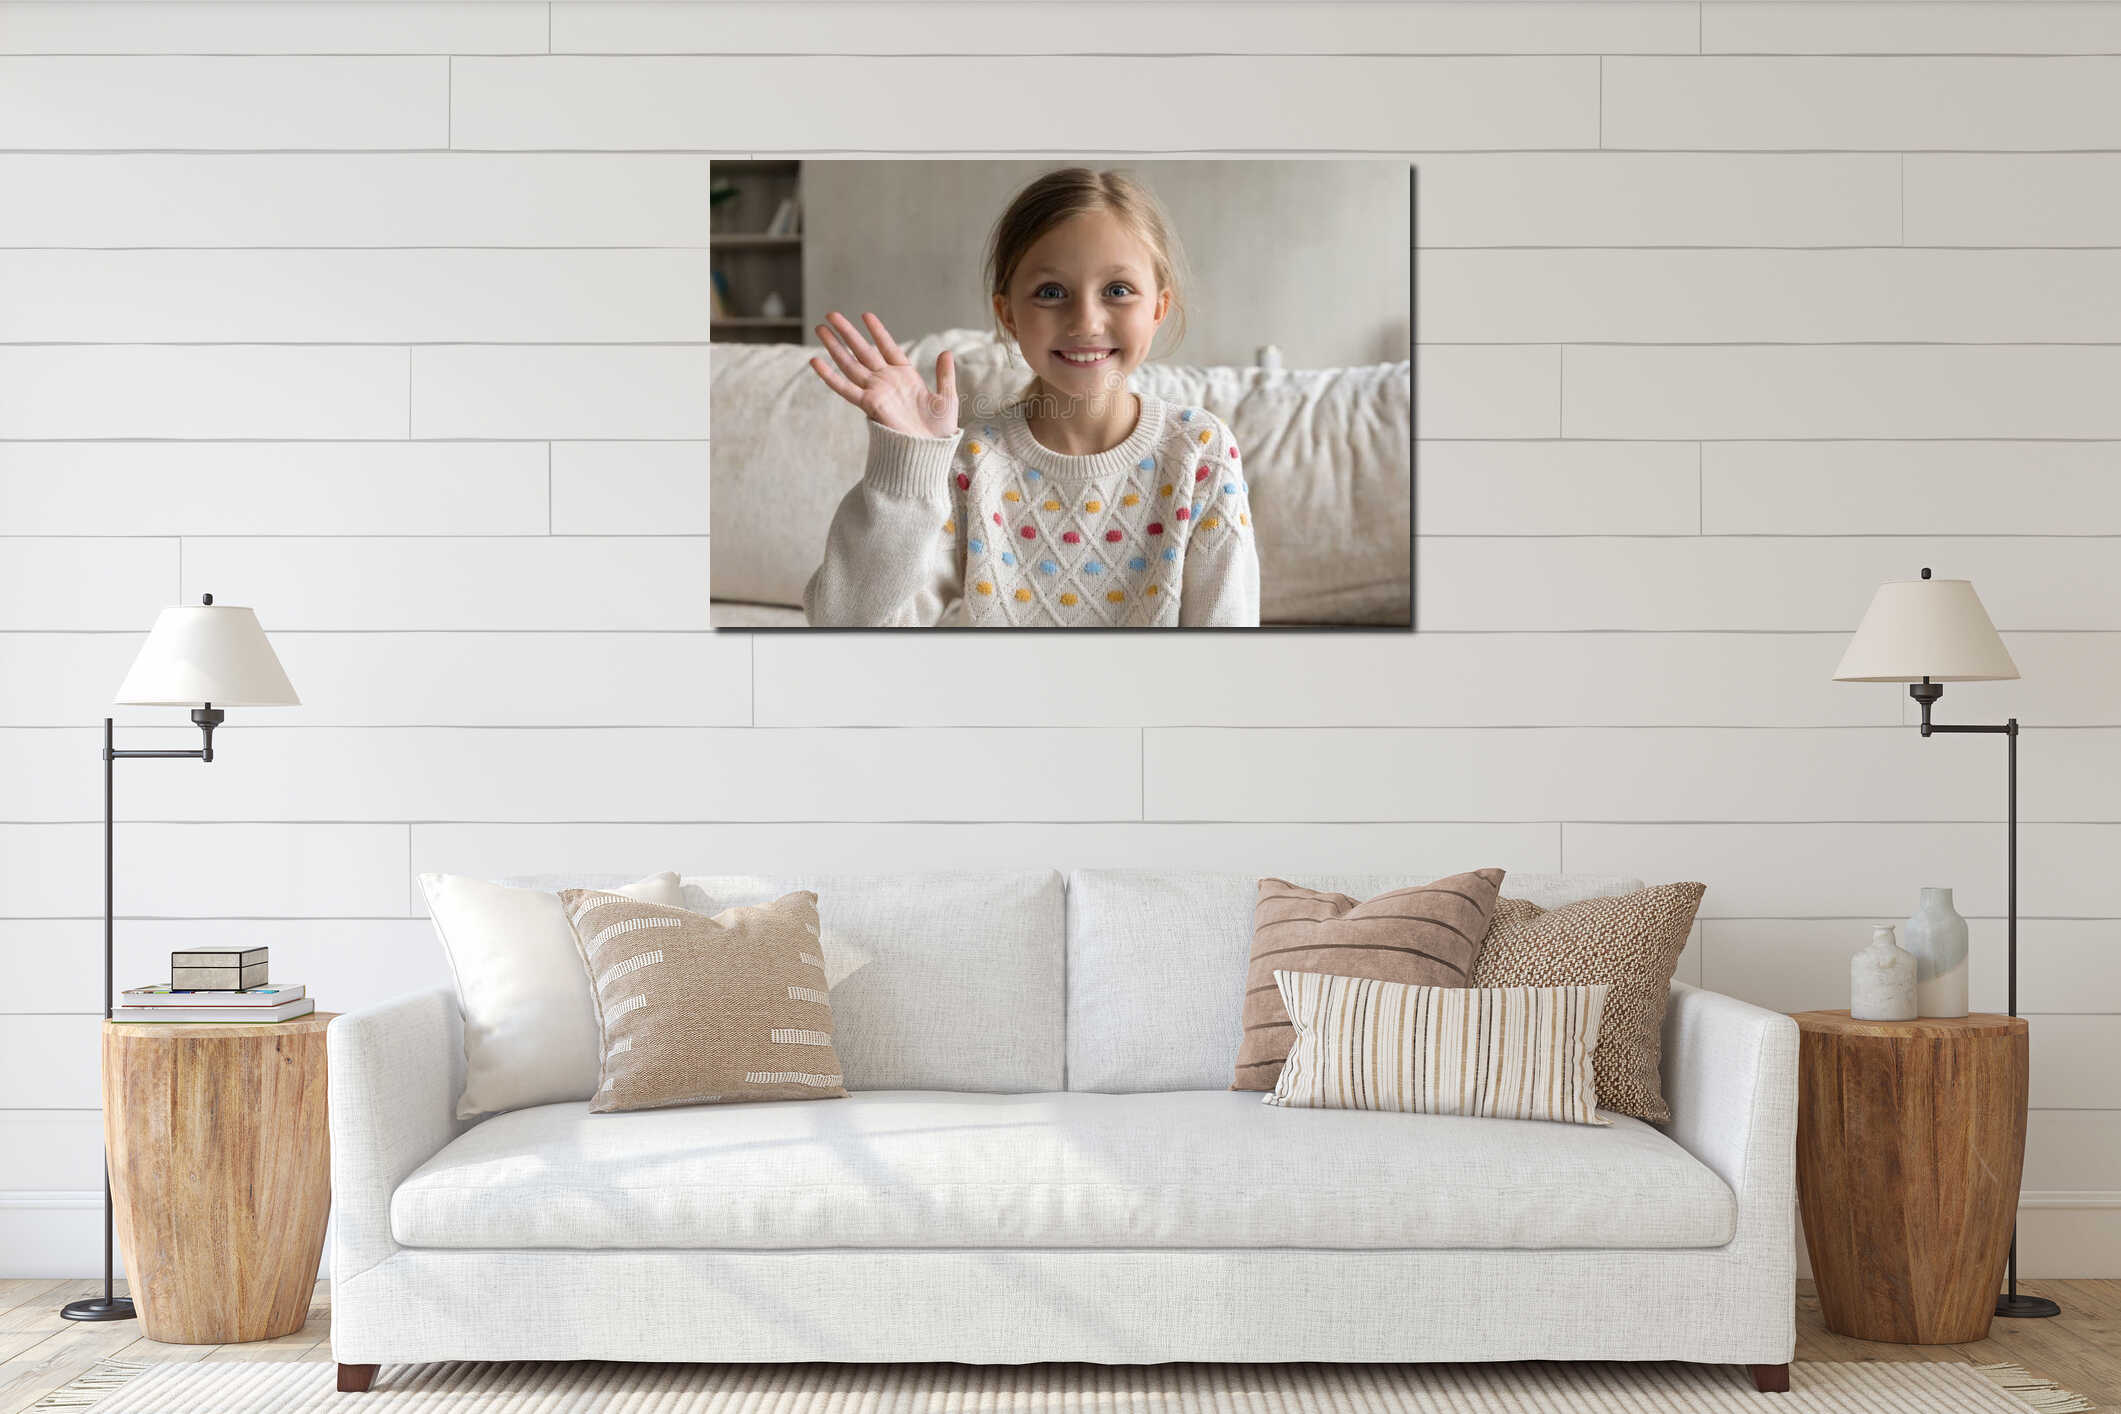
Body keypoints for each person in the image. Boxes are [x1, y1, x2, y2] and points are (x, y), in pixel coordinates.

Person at [801, 167, 1261, 628]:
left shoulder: (1201, 452)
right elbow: (843, 629)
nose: (1085, 322)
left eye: (1117, 291)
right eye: (1051, 292)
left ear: (1158, 308)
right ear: (1009, 315)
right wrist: (908, 465)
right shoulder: (971, 463)